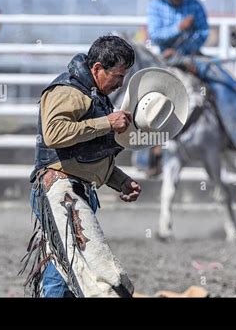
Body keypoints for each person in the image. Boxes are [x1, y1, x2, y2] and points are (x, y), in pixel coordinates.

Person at [21, 36, 141, 298]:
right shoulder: (67, 91)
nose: (121, 83)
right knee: (97, 275)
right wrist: (107, 123)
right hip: (61, 193)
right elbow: (54, 133)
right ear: (97, 68)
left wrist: (120, 181)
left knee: (63, 272)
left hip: (72, 193)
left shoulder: (92, 96)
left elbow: (85, 154)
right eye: (118, 75)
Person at [147, 0, 236, 150]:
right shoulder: (157, 7)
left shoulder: (194, 5)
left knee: (224, 82)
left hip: (193, 57)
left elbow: (203, 32)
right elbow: (155, 35)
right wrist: (179, 28)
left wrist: (187, 50)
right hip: (165, 59)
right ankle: (148, 153)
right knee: (146, 93)